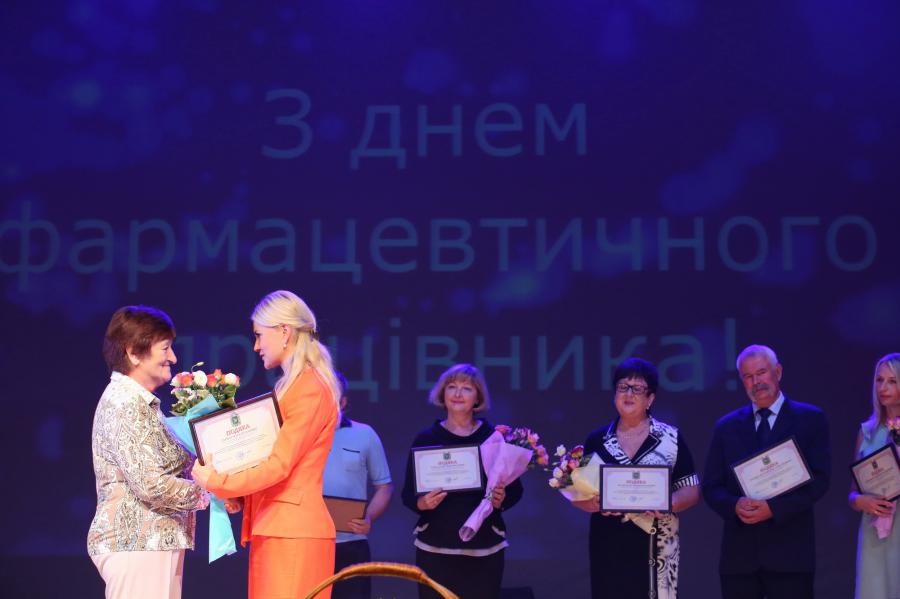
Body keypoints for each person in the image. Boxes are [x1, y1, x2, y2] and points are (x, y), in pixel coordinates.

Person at [192, 290, 341, 599]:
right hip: (276, 529)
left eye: (259, 335)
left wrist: (219, 482)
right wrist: (241, 495)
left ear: (284, 331)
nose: (256, 346)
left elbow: (279, 466)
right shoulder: (293, 386)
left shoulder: (309, 388)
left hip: (293, 533)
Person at [88, 305, 210, 599]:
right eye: (165, 348)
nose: (173, 358)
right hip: (137, 544)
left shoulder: (139, 402)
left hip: (152, 543)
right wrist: (209, 491)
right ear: (134, 353)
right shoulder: (125, 403)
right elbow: (151, 484)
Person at [702, 344, 831, 599]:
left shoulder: (810, 419)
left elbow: (819, 480)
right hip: (740, 558)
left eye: (761, 373)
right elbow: (711, 487)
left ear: (778, 372)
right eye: (748, 376)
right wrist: (734, 505)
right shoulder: (726, 427)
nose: (756, 382)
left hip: (791, 555)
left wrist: (774, 508)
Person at [573, 357, 700, 599]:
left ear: (650, 398)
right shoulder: (596, 440)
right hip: (608, 544)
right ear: (615, 394)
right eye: (623, 387)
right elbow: (577, 494)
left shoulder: (671, 438)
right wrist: (592, 503)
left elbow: (691, 490)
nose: (629, 394)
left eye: (638, 388)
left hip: (657, 544)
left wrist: (668, 502)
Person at [401, 363, 523, 599]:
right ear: (442, 393)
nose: (457, 394)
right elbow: (408, 495)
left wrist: (501, 499)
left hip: (484, 549)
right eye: (452, 387)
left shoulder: (493, 438)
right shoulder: (426, 438)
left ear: (478, 397)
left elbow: (515, 490)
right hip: (434, 548)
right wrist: (422, 503)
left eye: (466, 388)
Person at [323, 372, 394, 599]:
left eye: (333, 395)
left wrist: (368, 517)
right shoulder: (298, 435)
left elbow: (384, 487)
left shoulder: (364, 434)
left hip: (351, 544)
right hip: (308, 542)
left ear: (343, 401)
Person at [850, 352, 900, 599]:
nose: (883, 387)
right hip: (875, 530)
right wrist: (861, 501)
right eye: (879, 380)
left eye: (892, 381)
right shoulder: (867, 432)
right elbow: (853, 494)